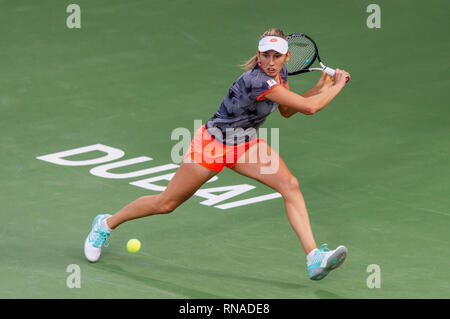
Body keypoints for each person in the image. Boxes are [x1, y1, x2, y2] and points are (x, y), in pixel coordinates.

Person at [84, 28, 351, 281]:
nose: (271, 61)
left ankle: (314, 258)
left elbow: (287, 110)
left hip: (245, 144)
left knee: (290, 185)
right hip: (212, 146)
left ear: (286, 57)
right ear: (258, 55)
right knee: (166, 203)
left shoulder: (280, 76)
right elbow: (308, 109)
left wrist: (320, 88)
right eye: (266, 55)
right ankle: (105, 224)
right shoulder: (257, 80)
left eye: (277, 56)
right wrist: (336, 86)